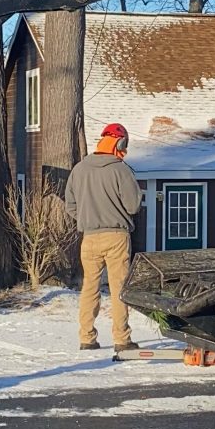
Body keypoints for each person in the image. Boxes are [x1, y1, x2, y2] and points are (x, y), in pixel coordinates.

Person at [66, 122, 144, 357]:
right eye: (125, 145)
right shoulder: (121, 170)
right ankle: (122, 338)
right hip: (116, 237)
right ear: (119, 144)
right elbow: (133, 205)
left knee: (90, 287)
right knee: (120, 288)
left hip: (88, 237)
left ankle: (86, 337)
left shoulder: (79, 169)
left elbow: (70, 206)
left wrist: (86, 216)